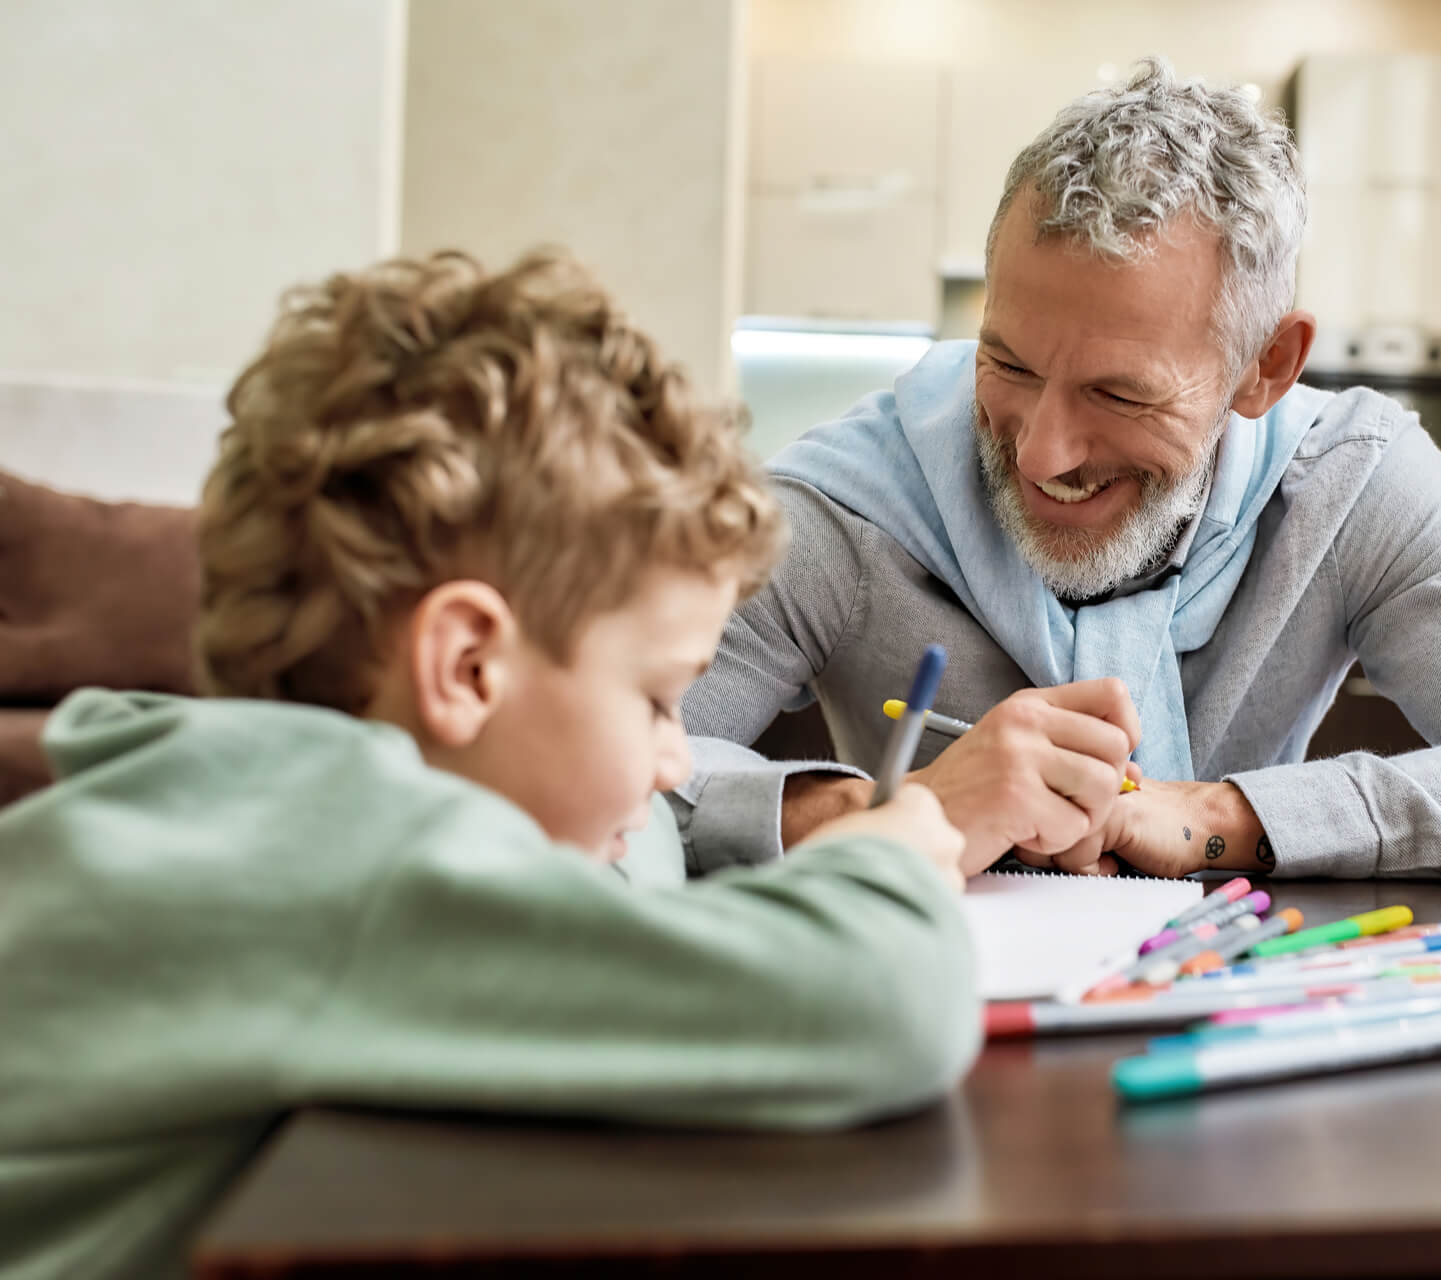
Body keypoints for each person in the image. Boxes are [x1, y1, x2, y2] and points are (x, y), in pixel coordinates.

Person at [0, 251, 980, 1280]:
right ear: (466, 664)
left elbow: (625, 862)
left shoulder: (240, 796)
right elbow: (881, 1000)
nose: (673, 756)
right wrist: (891, 855)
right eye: (654, 699)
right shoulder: (349, 852)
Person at [677, 58, 1441, 886]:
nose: (1041, 452)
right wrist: (897, 812)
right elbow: (568, 778)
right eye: (1008, 362)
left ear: (1266, 366)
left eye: (1120, 396)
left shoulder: (1351, 486)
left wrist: (1228, 815)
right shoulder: (840, 504)